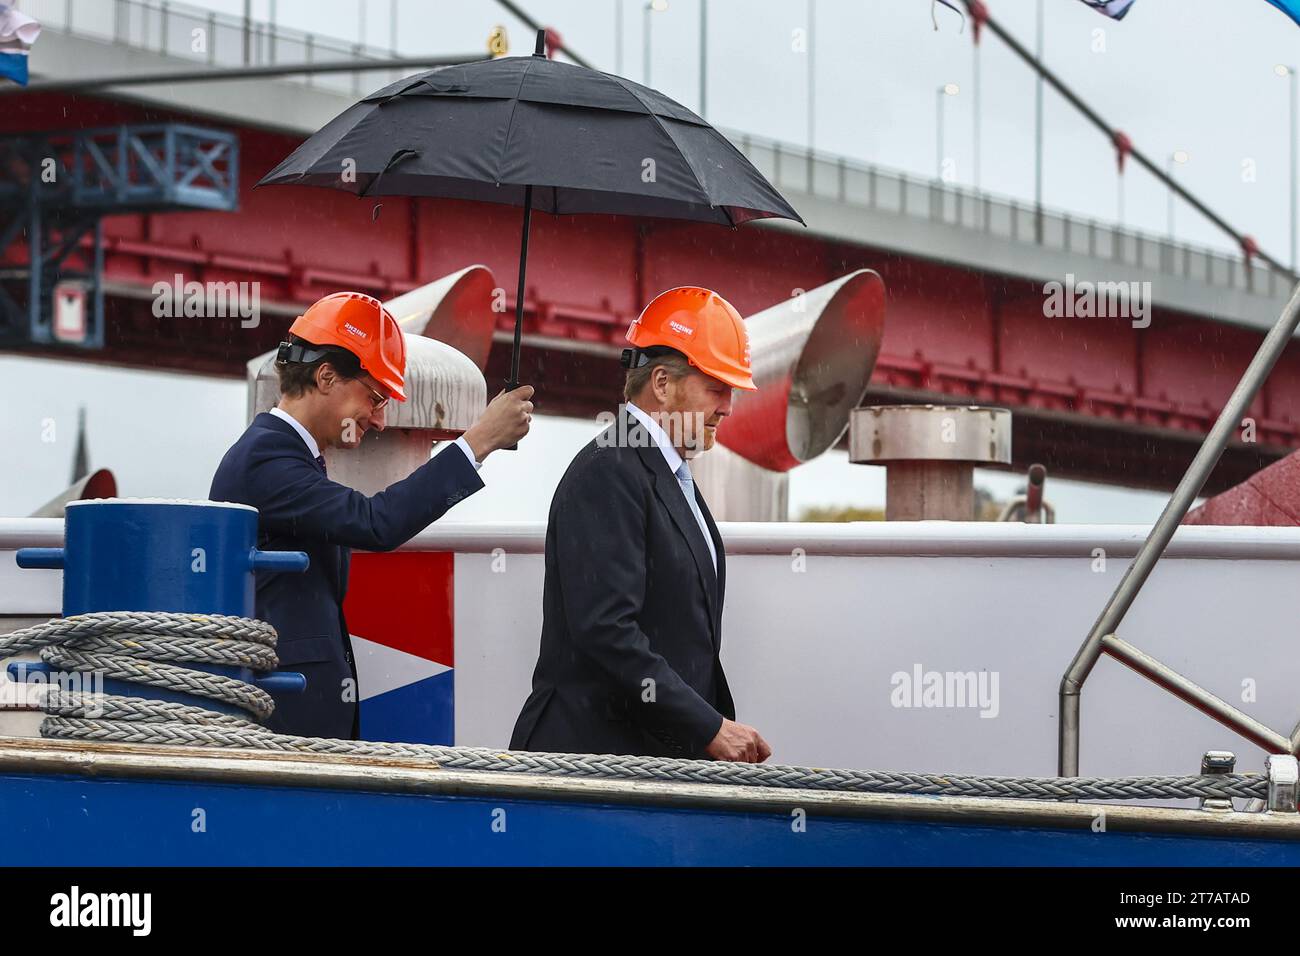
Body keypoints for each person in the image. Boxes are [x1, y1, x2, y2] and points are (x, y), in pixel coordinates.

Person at [211, 290, 531, 738]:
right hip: (286, 722)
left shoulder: (277, 457)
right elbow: (375, 523)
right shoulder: (267, 460)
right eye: (375, 398)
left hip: (290, 712)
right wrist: (478, 441)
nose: (379, 420)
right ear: (326, 376)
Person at [510, 287, 771, 762]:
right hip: (599, 766)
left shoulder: (650, 471)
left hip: (638, 761)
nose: (728, 407)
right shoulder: (610, 470)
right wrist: (707, 726)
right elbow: (607, 631)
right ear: (663, 385)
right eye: (716, 388)